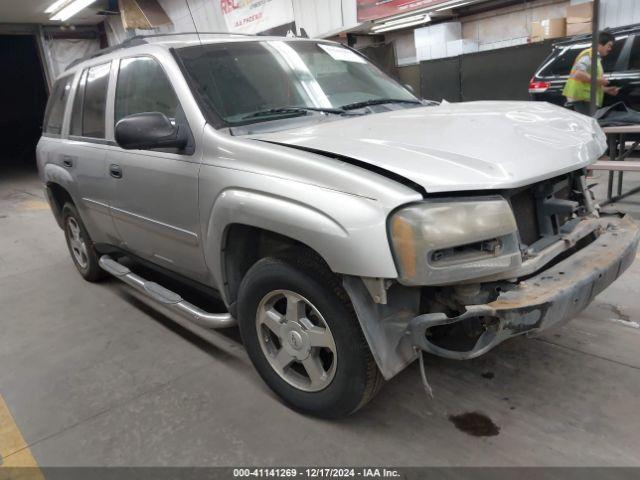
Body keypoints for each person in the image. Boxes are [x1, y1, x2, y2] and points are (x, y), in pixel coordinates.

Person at [563, 30, 620, 116]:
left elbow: (590, 83)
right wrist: (599, 81)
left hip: (585, 99)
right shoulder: (589, 55)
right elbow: (578, 74)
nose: (610, 49)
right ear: (600, 44)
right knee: (587, 126)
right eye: (609, 45)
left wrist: (606, 90)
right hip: (582, 99)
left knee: (588, 125)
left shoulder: (596, 58)